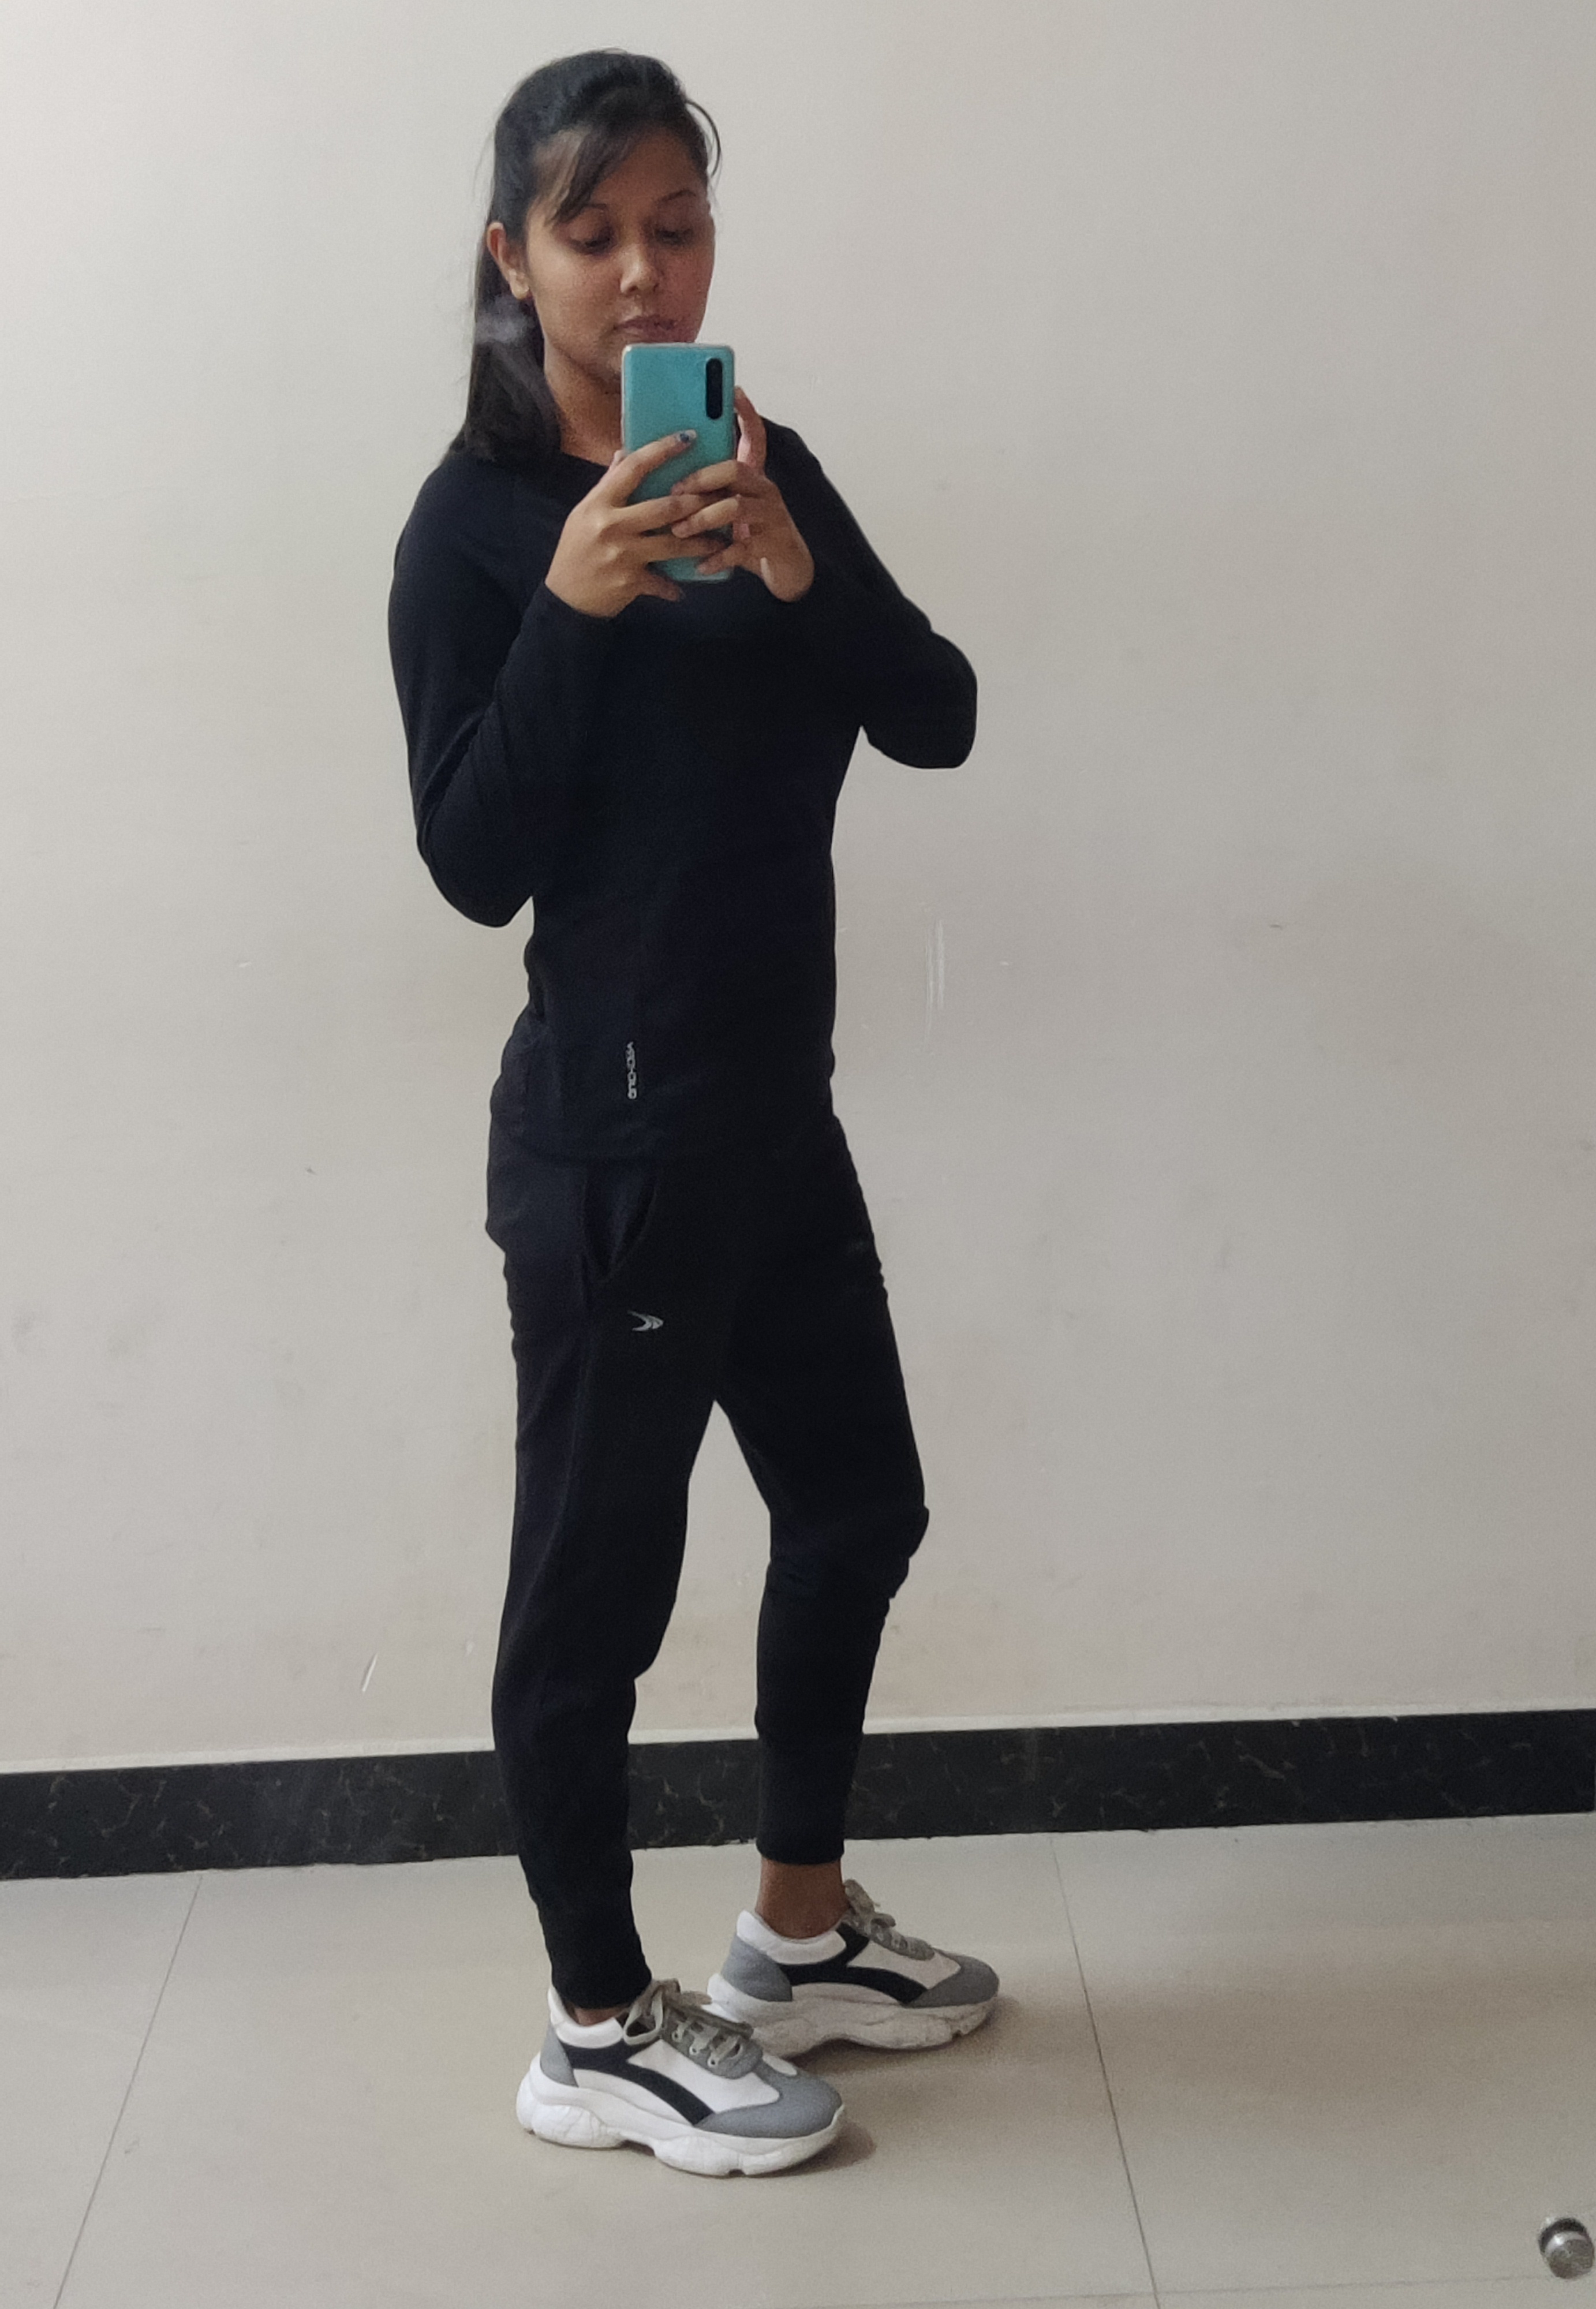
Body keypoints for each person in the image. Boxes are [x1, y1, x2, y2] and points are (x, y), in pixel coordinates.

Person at [386, 50, 997, 2176]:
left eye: (680, 225)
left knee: (860, 1511)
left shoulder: (763, 465)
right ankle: (593, 2028)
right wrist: (573, 610)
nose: (647, 272)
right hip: (614, 1150)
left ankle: (794, 1936)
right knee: (593, 1611)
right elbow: (472, 860)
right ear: (513, 259)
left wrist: (800, 573)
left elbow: (941, 716)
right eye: (595, 233)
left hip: (771, 1117)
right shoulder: (471, 533)